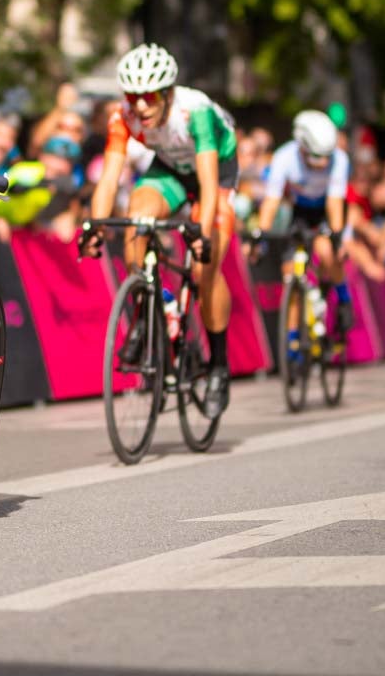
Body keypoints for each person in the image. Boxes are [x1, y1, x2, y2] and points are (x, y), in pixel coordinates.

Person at [81, 43, 238, 419]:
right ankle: (144, 309)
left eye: (149, 96)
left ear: (167, 93)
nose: (141, 106)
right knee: (138, 217)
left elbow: (207, 179)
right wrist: (95, 225)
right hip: (168, 169)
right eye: (133, 96)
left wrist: (200, 231)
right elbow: (109, 178)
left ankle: (218, 365)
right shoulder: (124, 116)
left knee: (205, 267)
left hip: (213, 174)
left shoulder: (194, 112)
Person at [255, 111, 354, 352]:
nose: (321, 164)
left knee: (327, 251)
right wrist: (260, 235)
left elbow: (334, 204)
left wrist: (337, 238)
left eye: (325, 158)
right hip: (300, 210)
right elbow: (271, 201)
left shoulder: (339, 159)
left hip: (326, 209)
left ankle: (342, 298)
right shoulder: (283, 157)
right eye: (314, 157)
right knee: (290, 272)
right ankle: (291, 341)